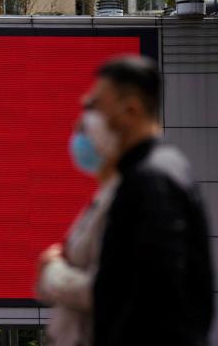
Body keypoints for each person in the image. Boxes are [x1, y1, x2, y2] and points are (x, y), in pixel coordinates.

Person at [46, 56, 214, 346]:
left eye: (95, 106)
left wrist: (56, 278)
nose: (87, 119)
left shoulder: (152, 180)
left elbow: (148, 297)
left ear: (131, 110)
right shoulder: (147, 173)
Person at [36, 111, 121, 346]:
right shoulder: (101, 196)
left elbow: (112, 289)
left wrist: (53, 272)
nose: (75, 141)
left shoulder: (128, 199)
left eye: (82, 132)